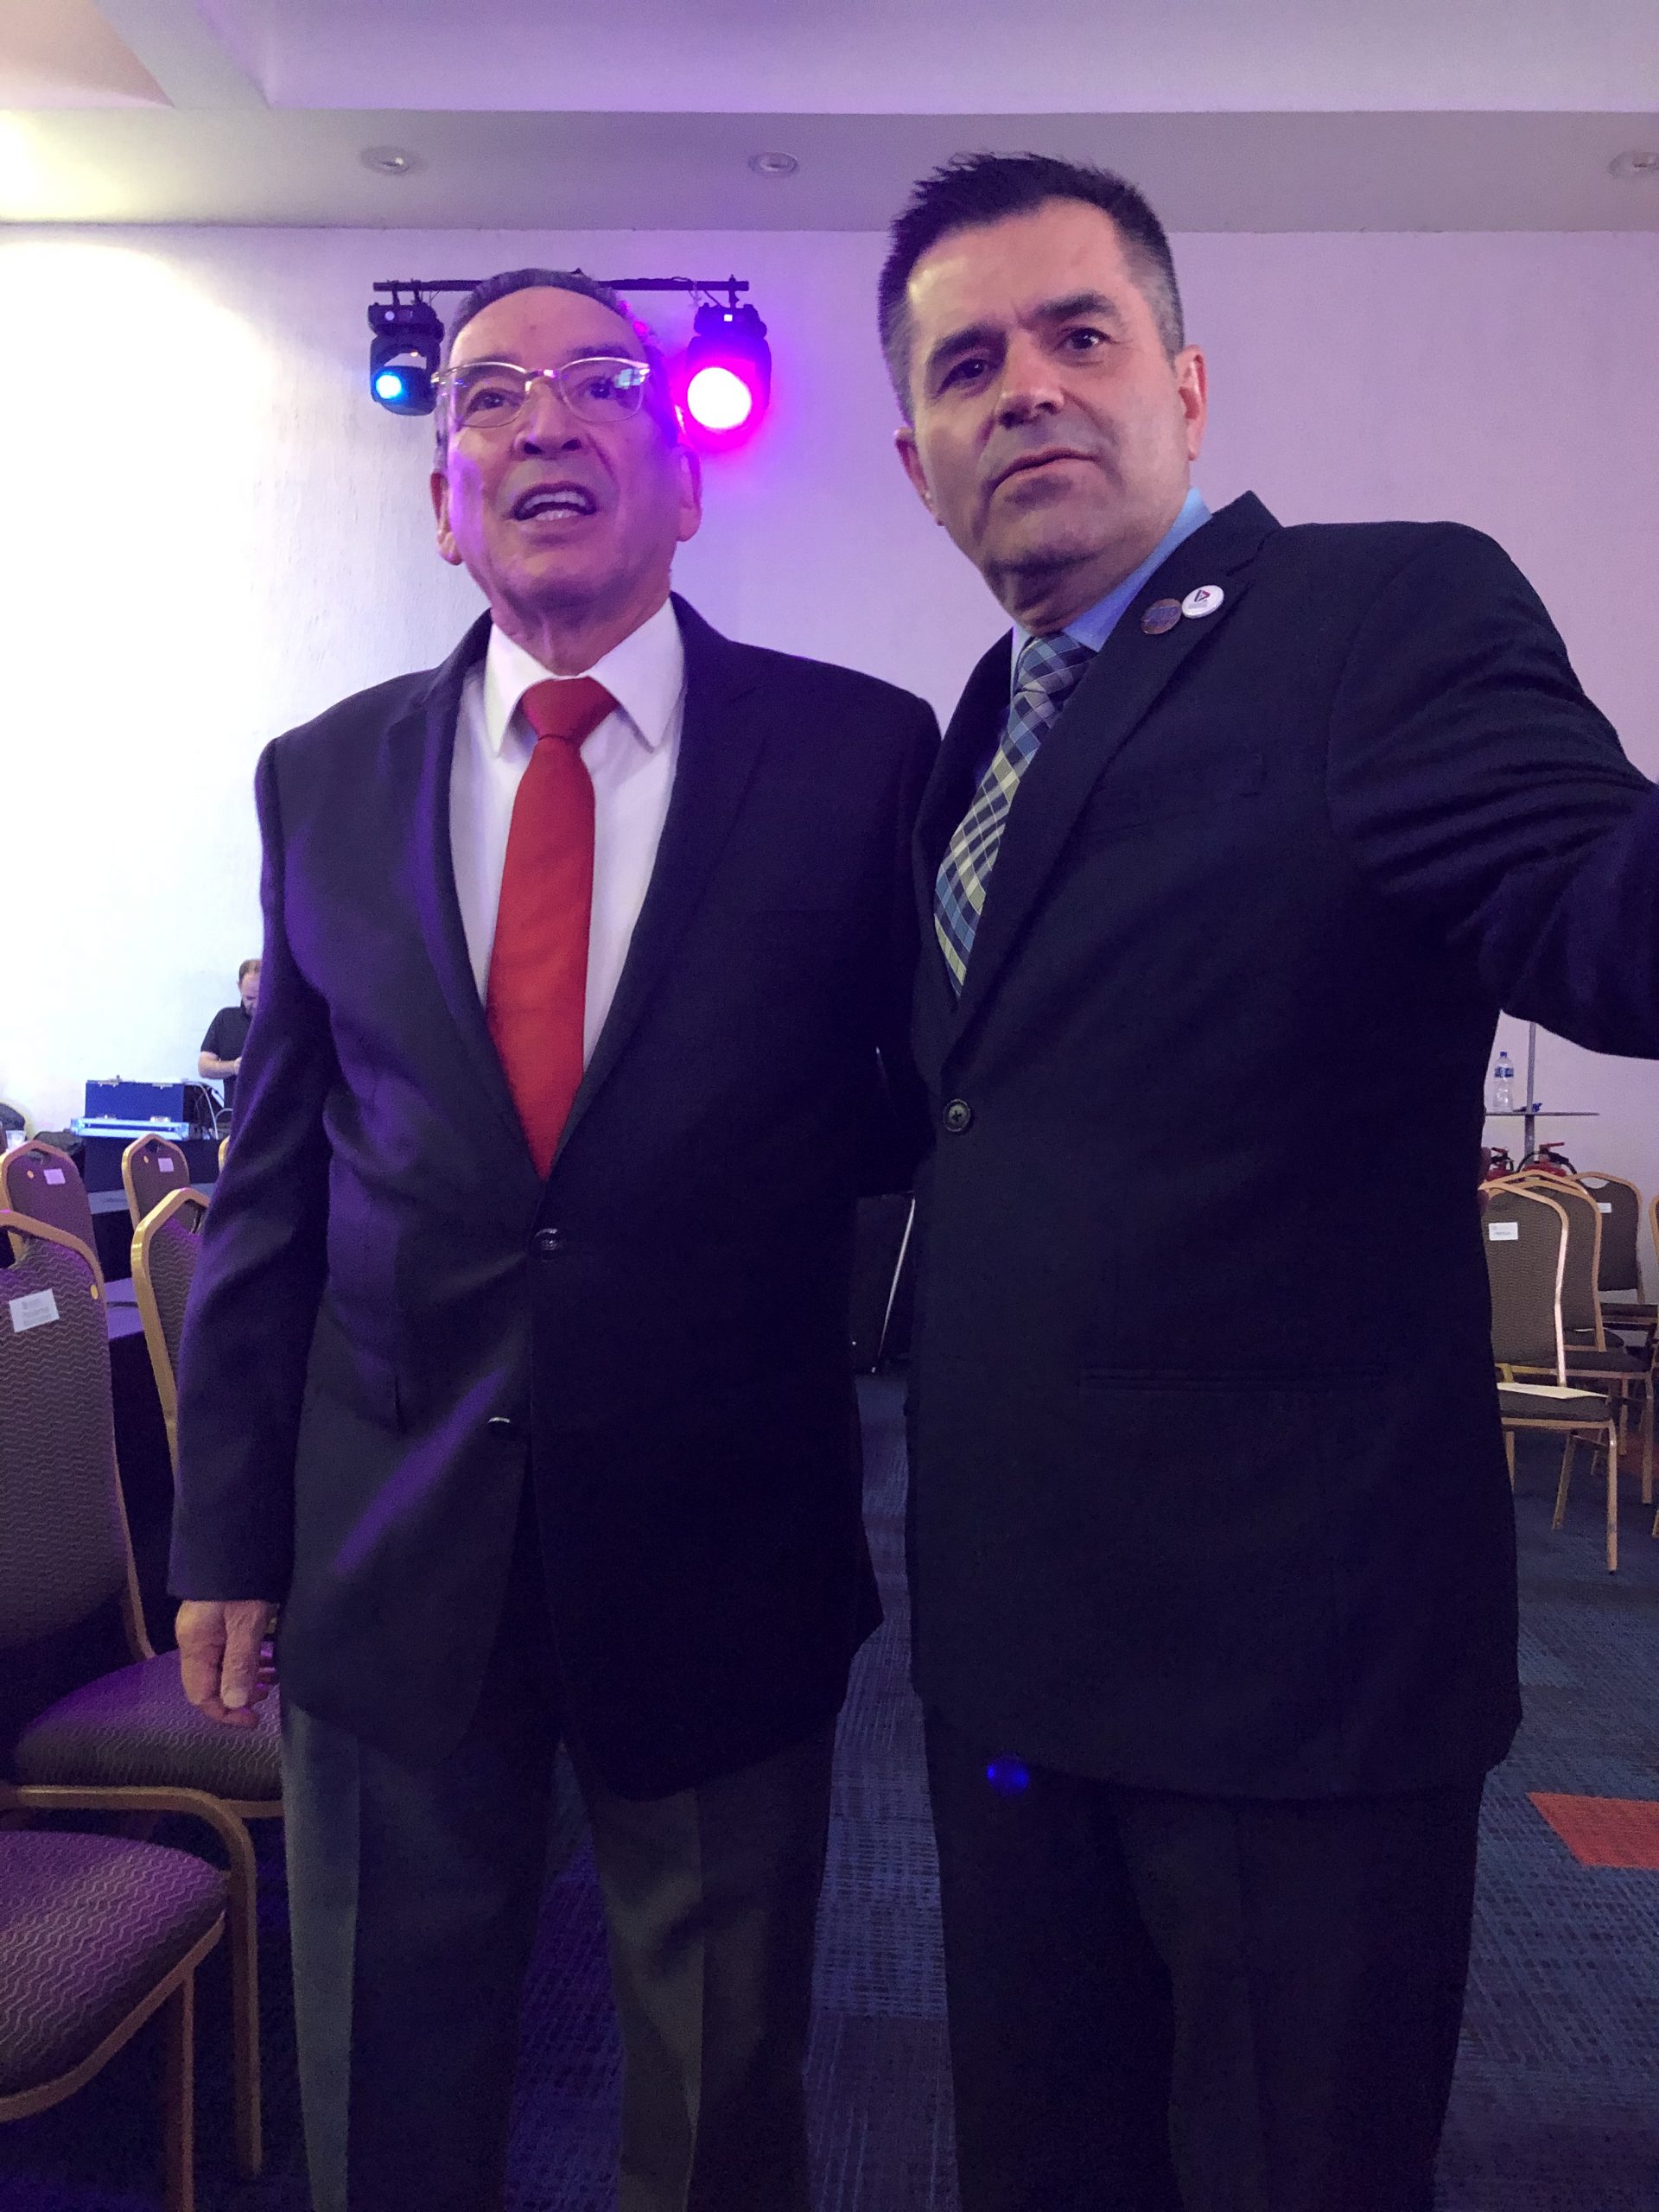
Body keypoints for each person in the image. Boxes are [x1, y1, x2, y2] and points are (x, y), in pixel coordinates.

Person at [880, 152, 1659, 2212]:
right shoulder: (982, 727)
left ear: (1188, 385)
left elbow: (1601, 910)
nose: (1028, 386)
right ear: (915, 458)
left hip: (1292, 1687)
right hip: (1014, 1659)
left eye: (1080, 334)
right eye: (968, 363)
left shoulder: (1378, 616)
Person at [170, 266, 937, 2212]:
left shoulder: (860, 759)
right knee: (387, 2086)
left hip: (723, 1540)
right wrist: (228, 1537)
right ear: (446, 500)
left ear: (687, 480)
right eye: (491, 396)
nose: (547, 421)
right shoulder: (321, 776)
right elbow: (273, 1183)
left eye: (604, 383)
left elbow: (921, 1119)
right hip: (388, 1543)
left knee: (719, 2097)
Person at [198, 957, 260, 1109]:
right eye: (250, 998)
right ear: (239, 987)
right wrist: (234, 1067)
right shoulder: (226, 1019)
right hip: (235, 1116)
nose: (256, 1005)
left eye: (263, 996)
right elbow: (204, 1066)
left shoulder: (284, 1022)